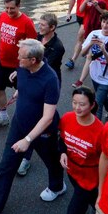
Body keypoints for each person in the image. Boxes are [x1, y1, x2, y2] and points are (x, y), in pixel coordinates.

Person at [0, 39, 65, 214]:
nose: (17, 58)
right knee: (6, 165)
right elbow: (24, 82)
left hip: (42, 131)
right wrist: (20, 91)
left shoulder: (50, 79)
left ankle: (57, 187)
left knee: (52, 161)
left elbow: (48, 117)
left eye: (21, 57)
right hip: (19, 125)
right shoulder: (23, 67)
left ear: (33, 60)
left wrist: (28, 139)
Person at [52, 86, 104, 214]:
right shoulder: (66, 118)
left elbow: (106, 161)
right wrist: (62, 153)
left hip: (90, 181)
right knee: (95, 205)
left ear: (92, 105)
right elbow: (62, 140)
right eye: (74, 103)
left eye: (82, 104)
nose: (77, 108)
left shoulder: (100, 131)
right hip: (73, 174)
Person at [18, 13, 66, 177]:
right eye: (39, 24)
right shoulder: (38, 38)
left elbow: (43, 68)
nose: (39, 27)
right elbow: (30, 65)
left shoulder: (58, 47)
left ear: (52, 28)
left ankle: (31, 150)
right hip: (33, 79)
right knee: (35, 115)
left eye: (43, 25)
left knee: (44, 116)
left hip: (47, 83)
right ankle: (28, 151)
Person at [0, 0, 38, 129]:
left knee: (23, 94)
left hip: (19, 66)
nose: (9, 11)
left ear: (19, 6)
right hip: (3, 61)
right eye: (7, 8)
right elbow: (0, 33)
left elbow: (34, 45)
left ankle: (26, 119)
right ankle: (3, 116)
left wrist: (25, 66)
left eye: (12, 8)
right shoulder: (3, 16)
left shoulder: (27, 22)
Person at [79, 11, 108, 119]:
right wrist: (90, 43)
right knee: (104, 99)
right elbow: (82, 54)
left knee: (97, 105)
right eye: (103, 22)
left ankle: (97, 131)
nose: (105, 25)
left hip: (106, 78)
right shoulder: (94, 33)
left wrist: (103, 49)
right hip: (94, 74)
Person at [67, 0, 108, 69]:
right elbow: (81, 10)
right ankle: (73, 59)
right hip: (87, 22)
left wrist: (97, 7)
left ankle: (96, 61)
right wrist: (85, 1)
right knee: (80, 37)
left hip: (99, 25)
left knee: (96, 44)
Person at [65, 0, 92, 70]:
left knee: (80, 36)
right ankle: (88, 50)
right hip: (79, 16)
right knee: (86, 36)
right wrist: (68, 12)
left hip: (88, 17)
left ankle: (72, 60)